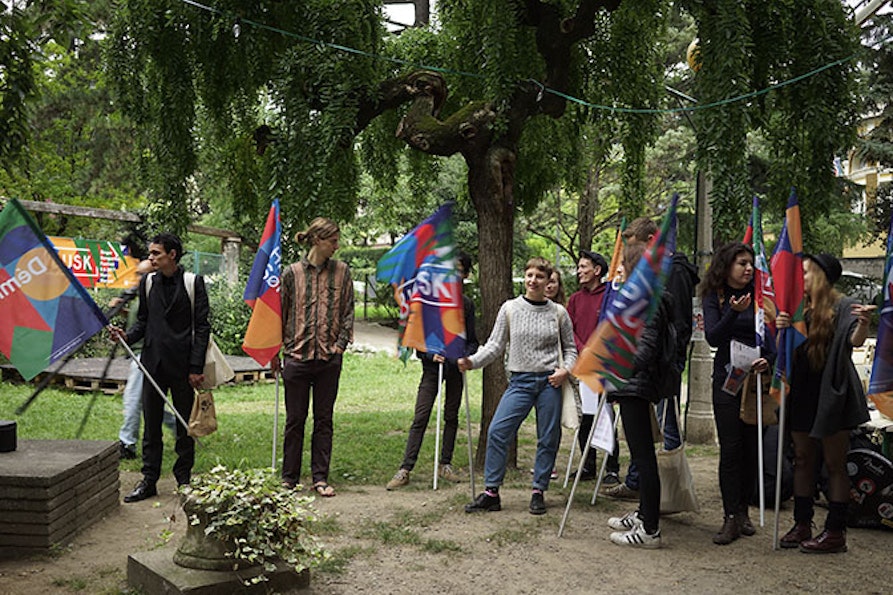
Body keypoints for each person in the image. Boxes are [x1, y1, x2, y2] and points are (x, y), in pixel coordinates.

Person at [459, 257, 577, 515]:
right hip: (520, 382)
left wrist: (565, 370)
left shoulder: (558, 313)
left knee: (548, 437)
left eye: (540, 276)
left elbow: (570, 349)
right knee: (498, 431)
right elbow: (494, 345)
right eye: (530, 275)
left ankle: (538, 491)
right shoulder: (510, 308)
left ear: (548, 282)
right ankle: (491, 492)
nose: (533, 280)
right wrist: (472, 361)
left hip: (549, 382)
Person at [776, 253, 872, 553]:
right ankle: (802, 523)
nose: (800, 279)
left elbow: (854, 341)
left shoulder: (842, 305)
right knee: (802, 459)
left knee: (834, 464)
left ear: (820, 276)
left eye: (805, 273)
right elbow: (785, 351)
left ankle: (835, 532)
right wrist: (782, 327)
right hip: (802, 392)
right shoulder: (797, 307)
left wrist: (864, 324)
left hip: (833, 394)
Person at [111, 233, 211, 503]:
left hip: (183, 366)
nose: (151, 258)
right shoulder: (147, 283)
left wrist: (196, 366)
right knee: (151, 425)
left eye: (156, 253)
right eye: (150, 253)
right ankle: (149, 480)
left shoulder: (193, 283)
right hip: (152, 364)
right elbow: (142, 322)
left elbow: (202, 328)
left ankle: (184, 480)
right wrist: (126, 336)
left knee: (184, 425)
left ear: (172, 255)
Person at [605, 217, 699, 499]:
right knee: (640, 434)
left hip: (660, 364)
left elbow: (678, 325)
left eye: (636, 250)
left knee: (666, 429)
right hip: (640, 367)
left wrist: (664, 359)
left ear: (652, 241)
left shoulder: (676, 272)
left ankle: (670, 494)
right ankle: (637, 485)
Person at [271, 217, 354, 498]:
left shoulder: (343, 272)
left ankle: (320, 478)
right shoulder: (291, 274)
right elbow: (279, 314)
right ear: (317, 240)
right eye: (333, 241)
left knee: (324, 420)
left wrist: (340, 347)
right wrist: (276, 351)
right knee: (295, 420)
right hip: (296, 358)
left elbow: (348, 312)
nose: (337, 246)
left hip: (329, 359)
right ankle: (289, 479)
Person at [699, 241, 775, 544]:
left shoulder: (761, 297)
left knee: (750, 447)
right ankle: (730, 516)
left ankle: (743, 510)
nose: (747, 269)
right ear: (726, 266)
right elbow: (713, 337)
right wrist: (732, 312)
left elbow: (772, 340)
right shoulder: (714, 295)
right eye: (741, 263)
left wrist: (767, 359)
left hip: (756, 380)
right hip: (728, 380)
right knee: (730, 449)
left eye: (749, 264)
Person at [386, 252, 480, 490]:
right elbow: (419, 340)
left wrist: (464, 355)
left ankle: (445, 464)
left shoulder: (467, 304)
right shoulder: (431, 303)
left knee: (451, 416)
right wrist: (430, 353)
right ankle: (405, 468)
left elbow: (472, 340)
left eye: (458, 270)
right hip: (432, 368)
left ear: (466, 275)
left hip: (455, 368)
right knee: (421, 415)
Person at [604, 241, 674, 548]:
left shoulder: (648, 302)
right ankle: (645, 513)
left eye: (622, 265)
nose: (617, 270)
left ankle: (650, 530)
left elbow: (643, 352)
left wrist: (616, 367)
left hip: (635, 386)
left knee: (644, 457)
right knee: (640, 455)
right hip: (633, 385)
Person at [565, 250, 618, 483]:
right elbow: (568, 329)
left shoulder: (610, 295)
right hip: (581, 364)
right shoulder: (575, 299)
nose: (579, 271)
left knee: (605, 415)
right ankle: (588, 464)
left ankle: (612, 468)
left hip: (604, 365)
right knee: (585, 417)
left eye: (584, 267)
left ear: (597, 270)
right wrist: (581, 348)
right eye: (578, 267)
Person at [116, 259, 175, 460]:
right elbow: (140, 322)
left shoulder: (156, 294)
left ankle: (127, 444)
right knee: (147, 401)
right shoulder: (141, 294)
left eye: (142, 275)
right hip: (137, 353)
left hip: (146, 355)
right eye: (137, 275)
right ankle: (181, 429)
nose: (138, 279)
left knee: (132, 399)